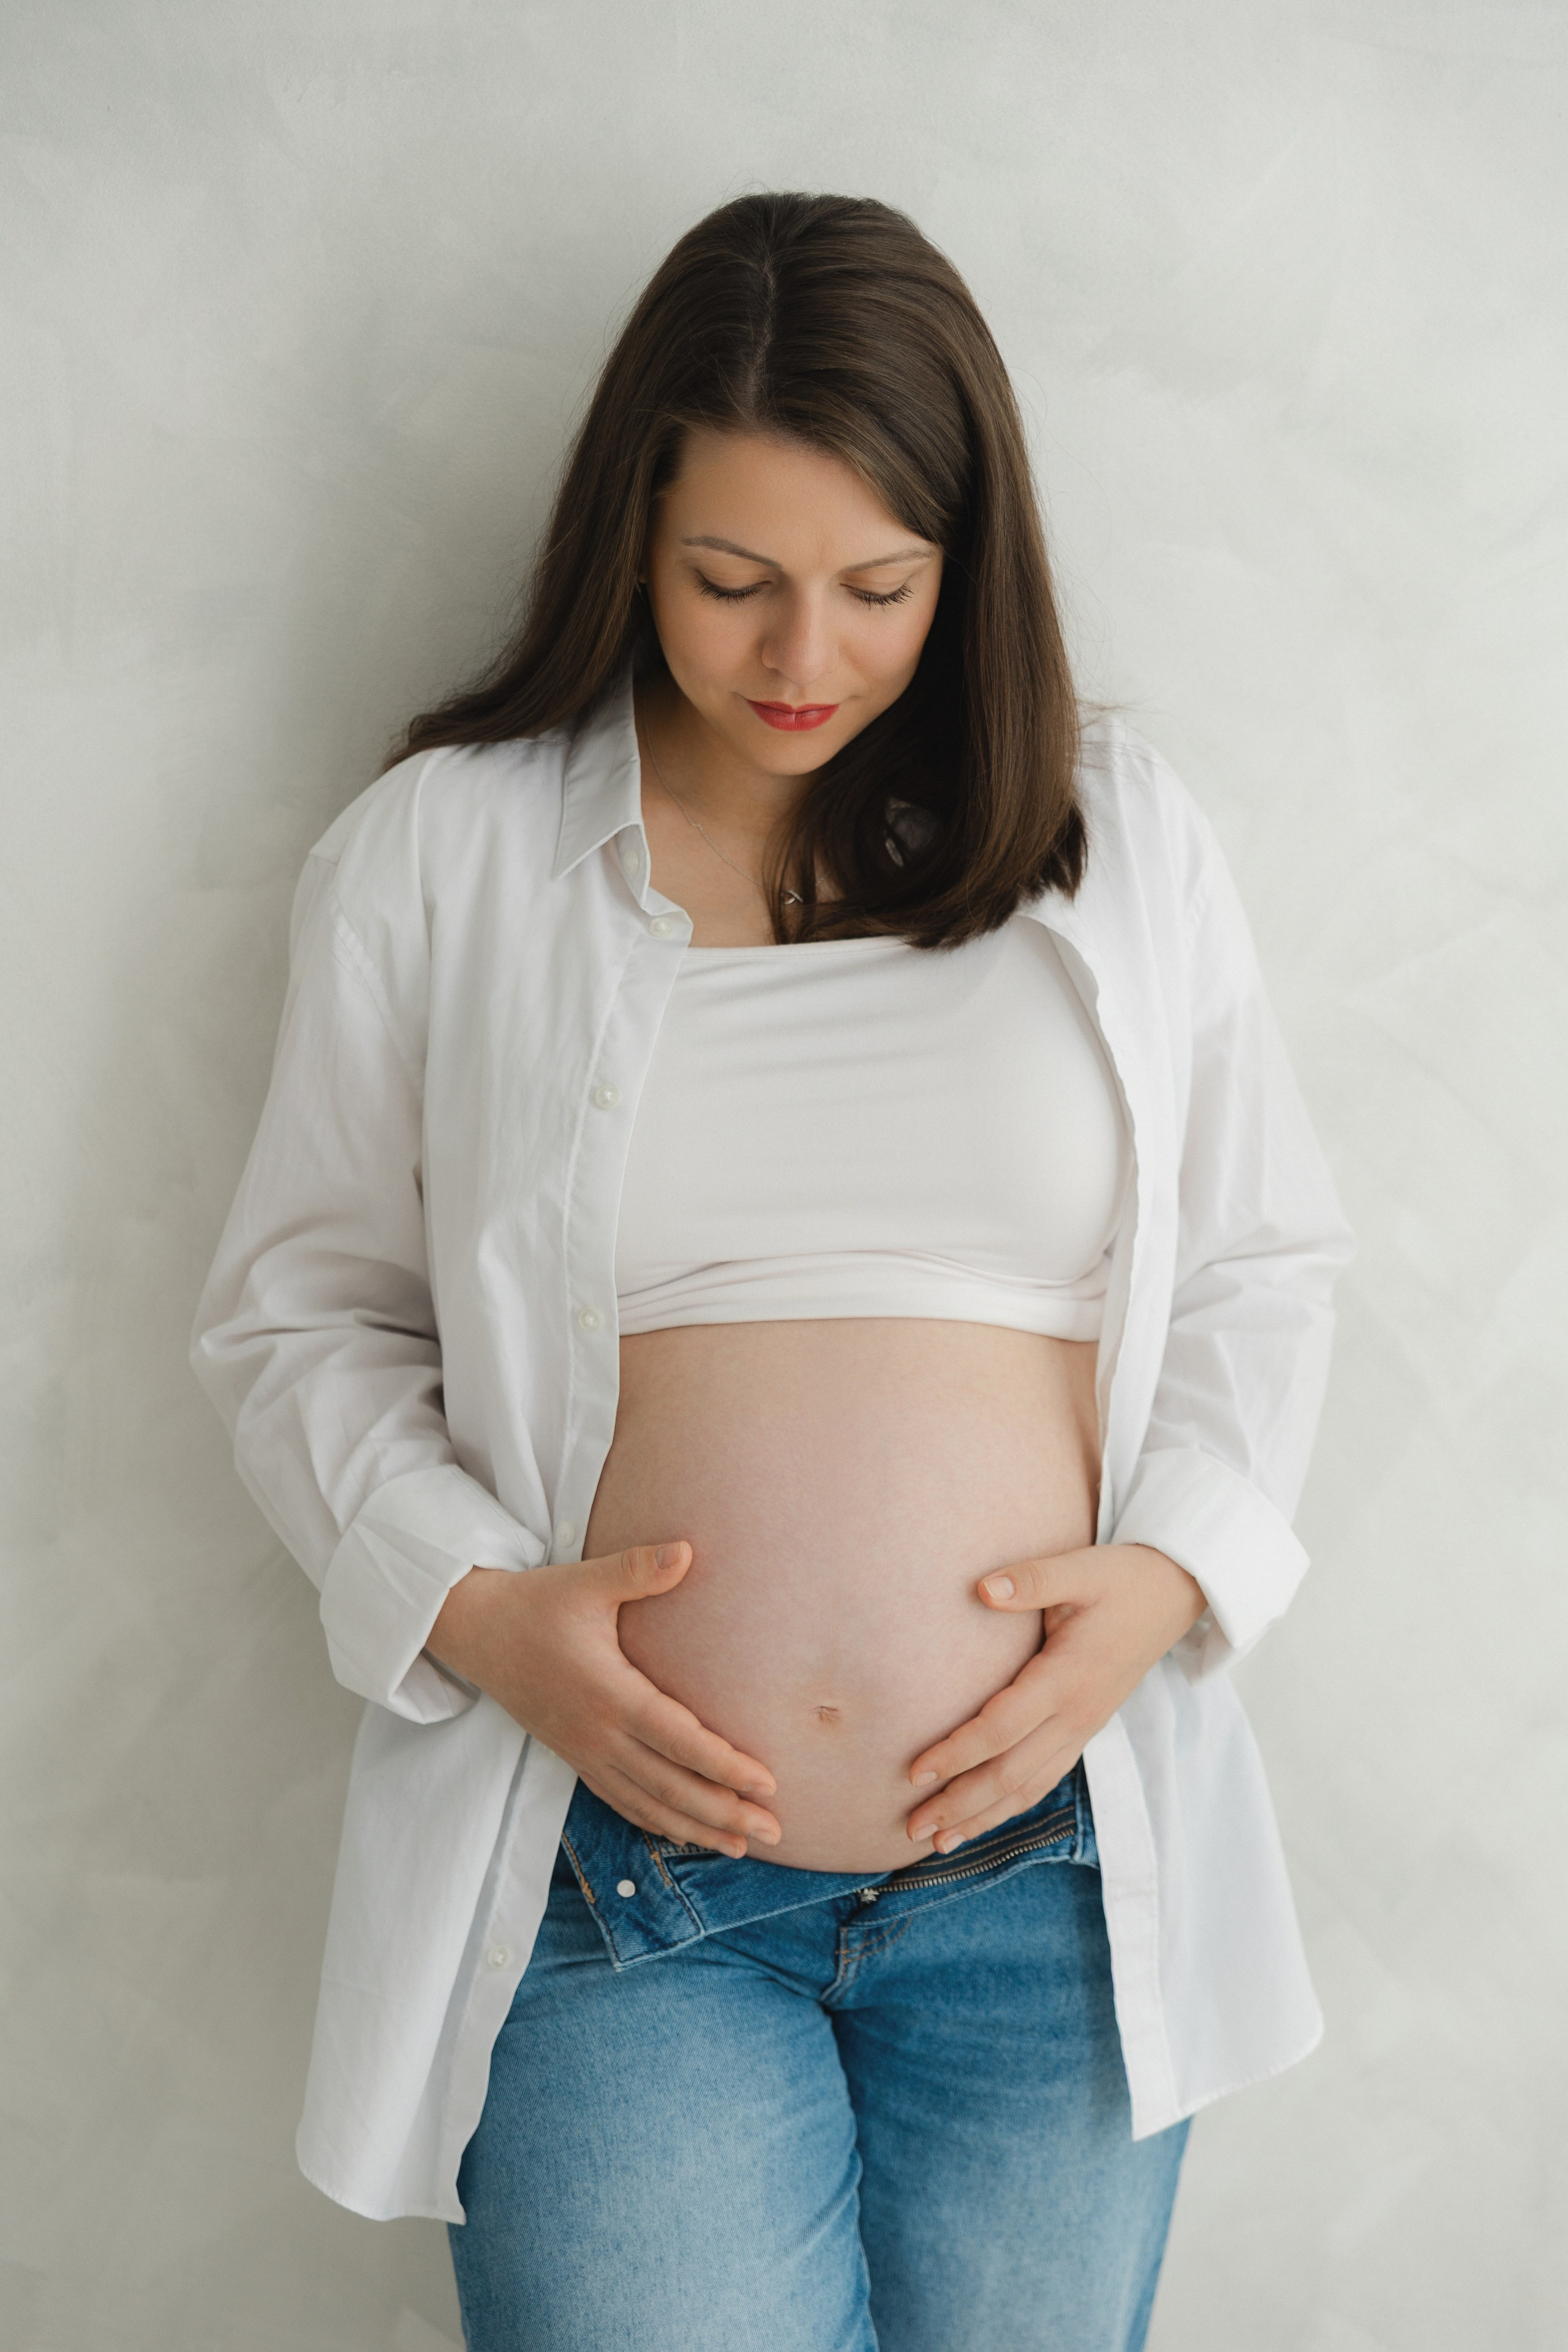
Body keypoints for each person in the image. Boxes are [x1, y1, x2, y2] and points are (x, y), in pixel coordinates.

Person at [191, 191, 1353, 2352]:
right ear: (630, 538)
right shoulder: (447, 858)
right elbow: (300, 1314)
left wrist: (1172, 1580)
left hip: (1059, 1882)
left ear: (967, 568)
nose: (798, 657)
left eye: (876, 588)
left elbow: (1265, 1265)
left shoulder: (1121, 837)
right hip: (617, 1894)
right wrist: (471, 1607)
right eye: (732, 581)